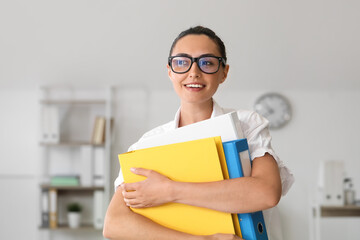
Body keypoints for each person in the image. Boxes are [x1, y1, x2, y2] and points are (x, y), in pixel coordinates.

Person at [103, 26, 294, 240]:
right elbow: (114, 223)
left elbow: (266, 193)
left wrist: (169, 191)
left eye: (207, 63)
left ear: (224, 72)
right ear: (169, 70)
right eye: (182, 62)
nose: (194, 72)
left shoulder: (247, 124)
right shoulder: (147, 145)